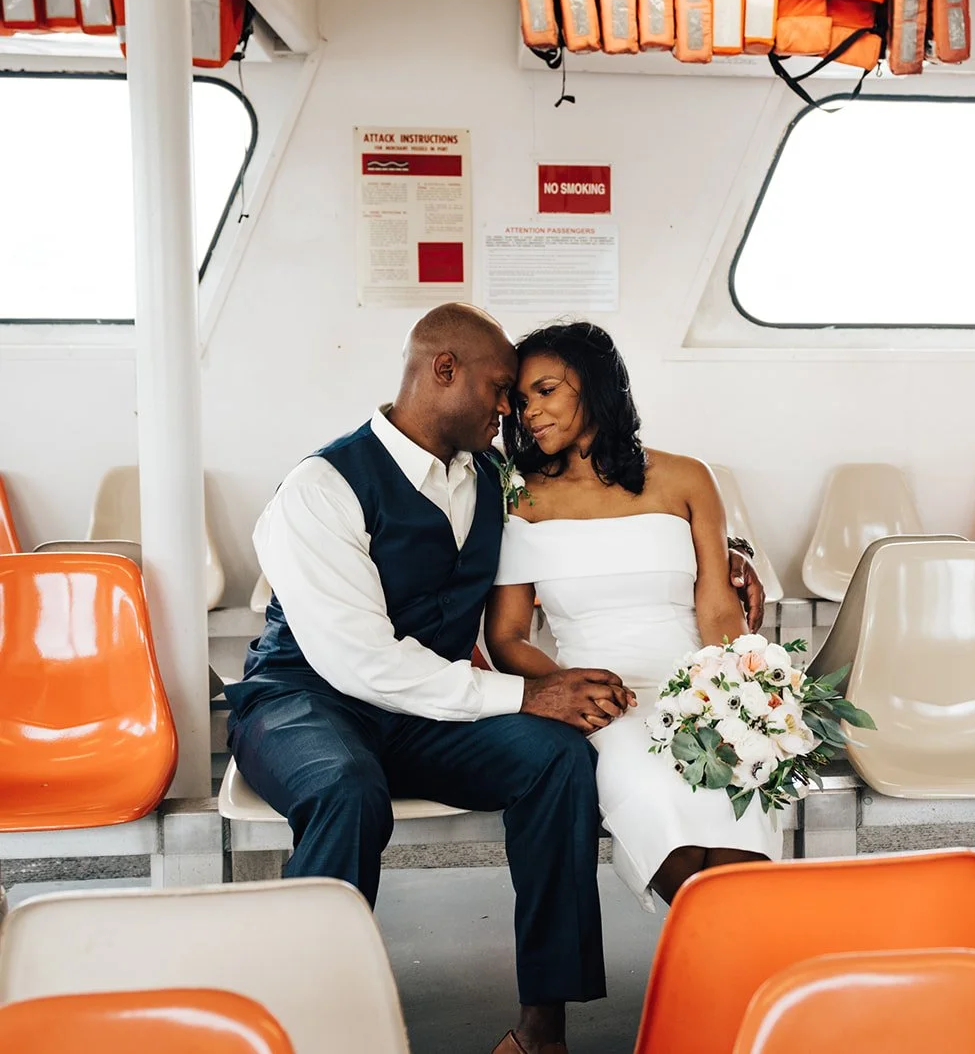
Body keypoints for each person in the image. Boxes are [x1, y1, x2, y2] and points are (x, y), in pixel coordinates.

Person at [224, 303, 765, 1054]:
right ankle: (309, 1025)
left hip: (424, 712)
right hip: (305, 699)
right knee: (346, 790)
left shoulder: (493, 478)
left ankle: (543, 1027)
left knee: (555, 759)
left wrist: (729, 554)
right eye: (501, 388)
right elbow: (361, 662)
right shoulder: (321, 488)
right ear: (444, 371)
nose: (510, 409)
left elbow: (612, 511)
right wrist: (527, 692)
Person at [485, 321, 782, 915]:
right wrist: (564, 689)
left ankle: (721, 973)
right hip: (600, 702)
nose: (530, 414)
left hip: (695, 687)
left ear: (593, 384)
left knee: (735, 806)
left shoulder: (687, 478)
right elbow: (507, 636)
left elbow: (718, 606)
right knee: (657, 803)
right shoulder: (519, 496)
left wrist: (741, 698)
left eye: (545, 391)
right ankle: (733, 971)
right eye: (521, 402)